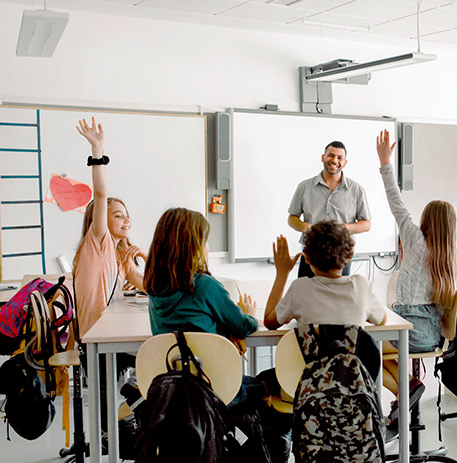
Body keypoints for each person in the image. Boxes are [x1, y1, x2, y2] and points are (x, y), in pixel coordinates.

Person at [374, 130, 457, 432]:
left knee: (367, 350)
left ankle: (406, 389)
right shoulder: (450, 256)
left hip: (407, 326)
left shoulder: (413, 238)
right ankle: (406, 392)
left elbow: (395, 203)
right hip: (432, 334)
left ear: (425, 219)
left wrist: (385, 162)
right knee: (376, 350)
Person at [72, 117, 146, 336]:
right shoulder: (98, 242)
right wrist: (97, 150)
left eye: (127, 216)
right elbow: (101, 194)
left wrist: (145, 254)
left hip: (110, 335)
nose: (127, 221)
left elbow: (153, 288)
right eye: (118, 216)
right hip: (95, 341)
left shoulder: (120, 255)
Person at [144, 208, 258, 340]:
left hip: (167, 360)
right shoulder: (206, 286)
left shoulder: (154, 288)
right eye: (206, 241)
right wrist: (250, 316)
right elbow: (242, 326)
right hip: (209, 360)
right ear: (194, 247)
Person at [264, 220, 386, 332]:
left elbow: (270, 323)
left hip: (310, 357)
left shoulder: (300, 289)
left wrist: (282, 273)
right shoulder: (361, 285)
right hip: (352, 356)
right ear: (350, 256)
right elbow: (382, 319)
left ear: (306, 257)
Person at [287, 141, 371, 278]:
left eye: (339, 158)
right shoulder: (304, 186)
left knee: (338, 298)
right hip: (310, 254)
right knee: (306, 297)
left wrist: (340, 229)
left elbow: (366, 224)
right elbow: (292, 218)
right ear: (323, 157)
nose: (334, 160)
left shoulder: (356, 190)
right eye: (330, 155)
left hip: (341, 258)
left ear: (345, 162)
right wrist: (306, 227)